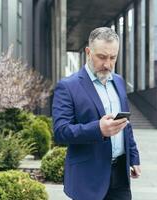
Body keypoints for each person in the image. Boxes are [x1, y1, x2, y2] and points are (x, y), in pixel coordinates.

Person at [52, 27, 141, 200]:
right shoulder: (68, 87)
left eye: (112, 57)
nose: (107, 64)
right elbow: (60, 131)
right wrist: (98, 129)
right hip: (88, 179)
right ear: (88, 52)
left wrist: (134, 157)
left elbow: (125, 125)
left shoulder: (119, 81)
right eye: (101, 57)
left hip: (120, 176)